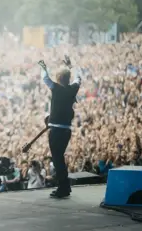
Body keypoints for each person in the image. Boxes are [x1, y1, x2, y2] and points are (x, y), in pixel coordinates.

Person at [39, 58, 81, 198]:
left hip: (56, 131)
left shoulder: (56, 88)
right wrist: (71, 66)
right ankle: (65, 187)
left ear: (58, 78)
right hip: (66, 130)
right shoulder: (73, 88)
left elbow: (45, 78)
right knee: (59, 159)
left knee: (57, 160)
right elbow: (78, 77)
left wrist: (44, 68)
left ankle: (63, 188)